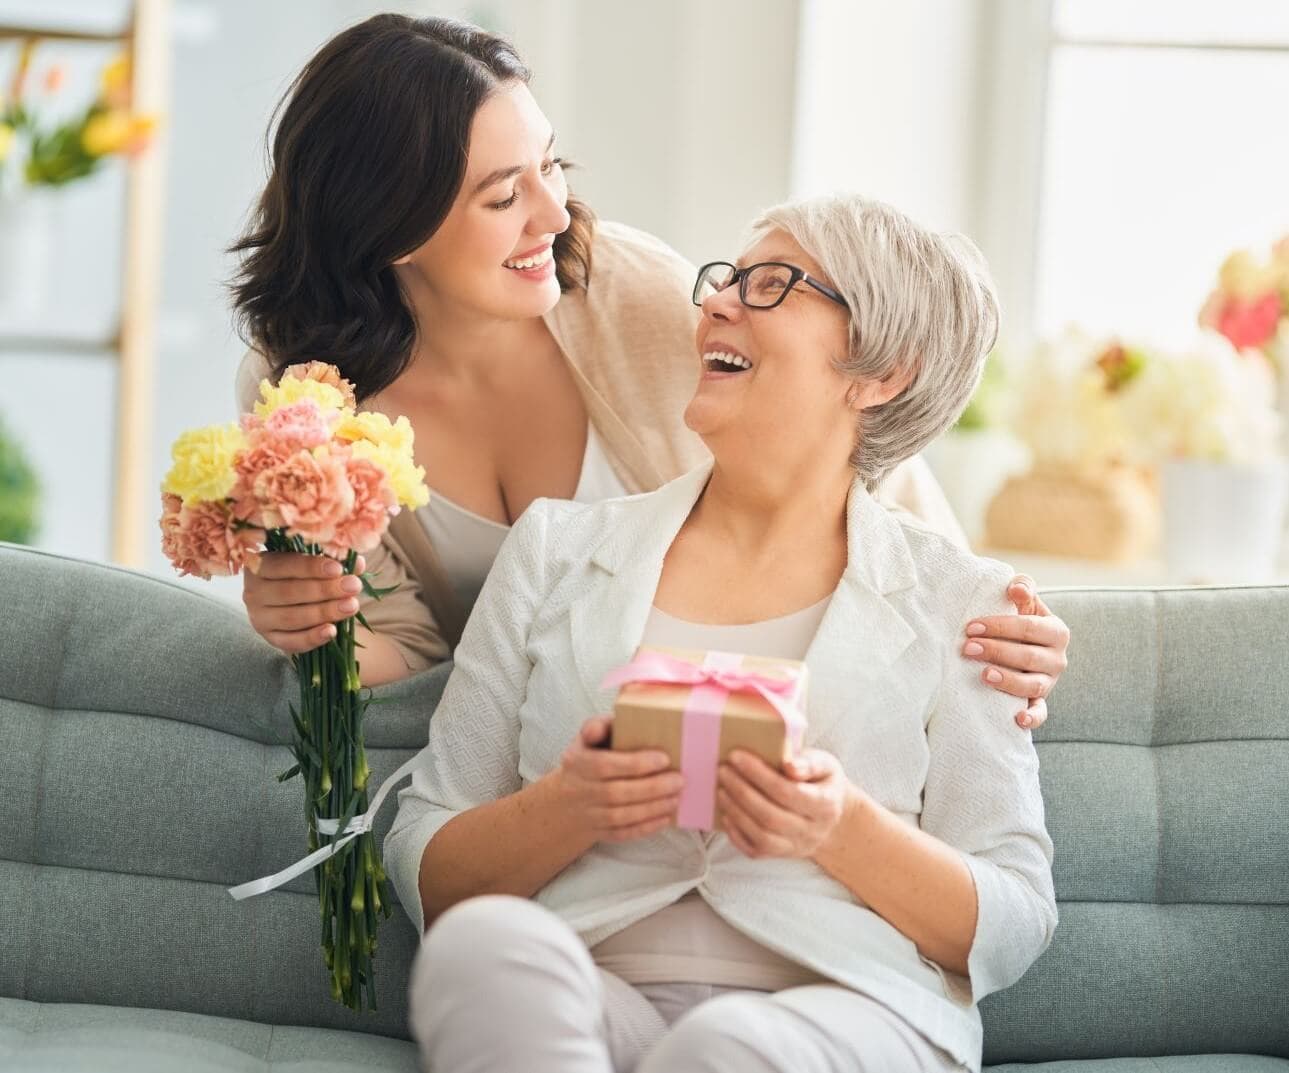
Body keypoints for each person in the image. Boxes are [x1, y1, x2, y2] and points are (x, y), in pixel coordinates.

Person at [231, 13, 1069, 726]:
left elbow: (848, 445)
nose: (554, 214)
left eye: (549, 165)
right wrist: (311, 625)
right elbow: (412, 653)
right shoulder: (302, 399)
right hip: (546, 746)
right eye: (502, 196)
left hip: (741, 710)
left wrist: (979, 624)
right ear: (392, 231)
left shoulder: (629, 292)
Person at [385, 192, 1056, 1073]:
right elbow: (424, 856)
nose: (715, 303)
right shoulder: (557, 548)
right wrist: (569, 805)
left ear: (882, 371)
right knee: (482, 950)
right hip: (590, 991)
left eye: (774, 284)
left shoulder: (962, 599)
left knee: (728, 1044)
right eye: (726, 279)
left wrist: (835, 825)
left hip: (847, 1007)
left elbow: (1012, 920)